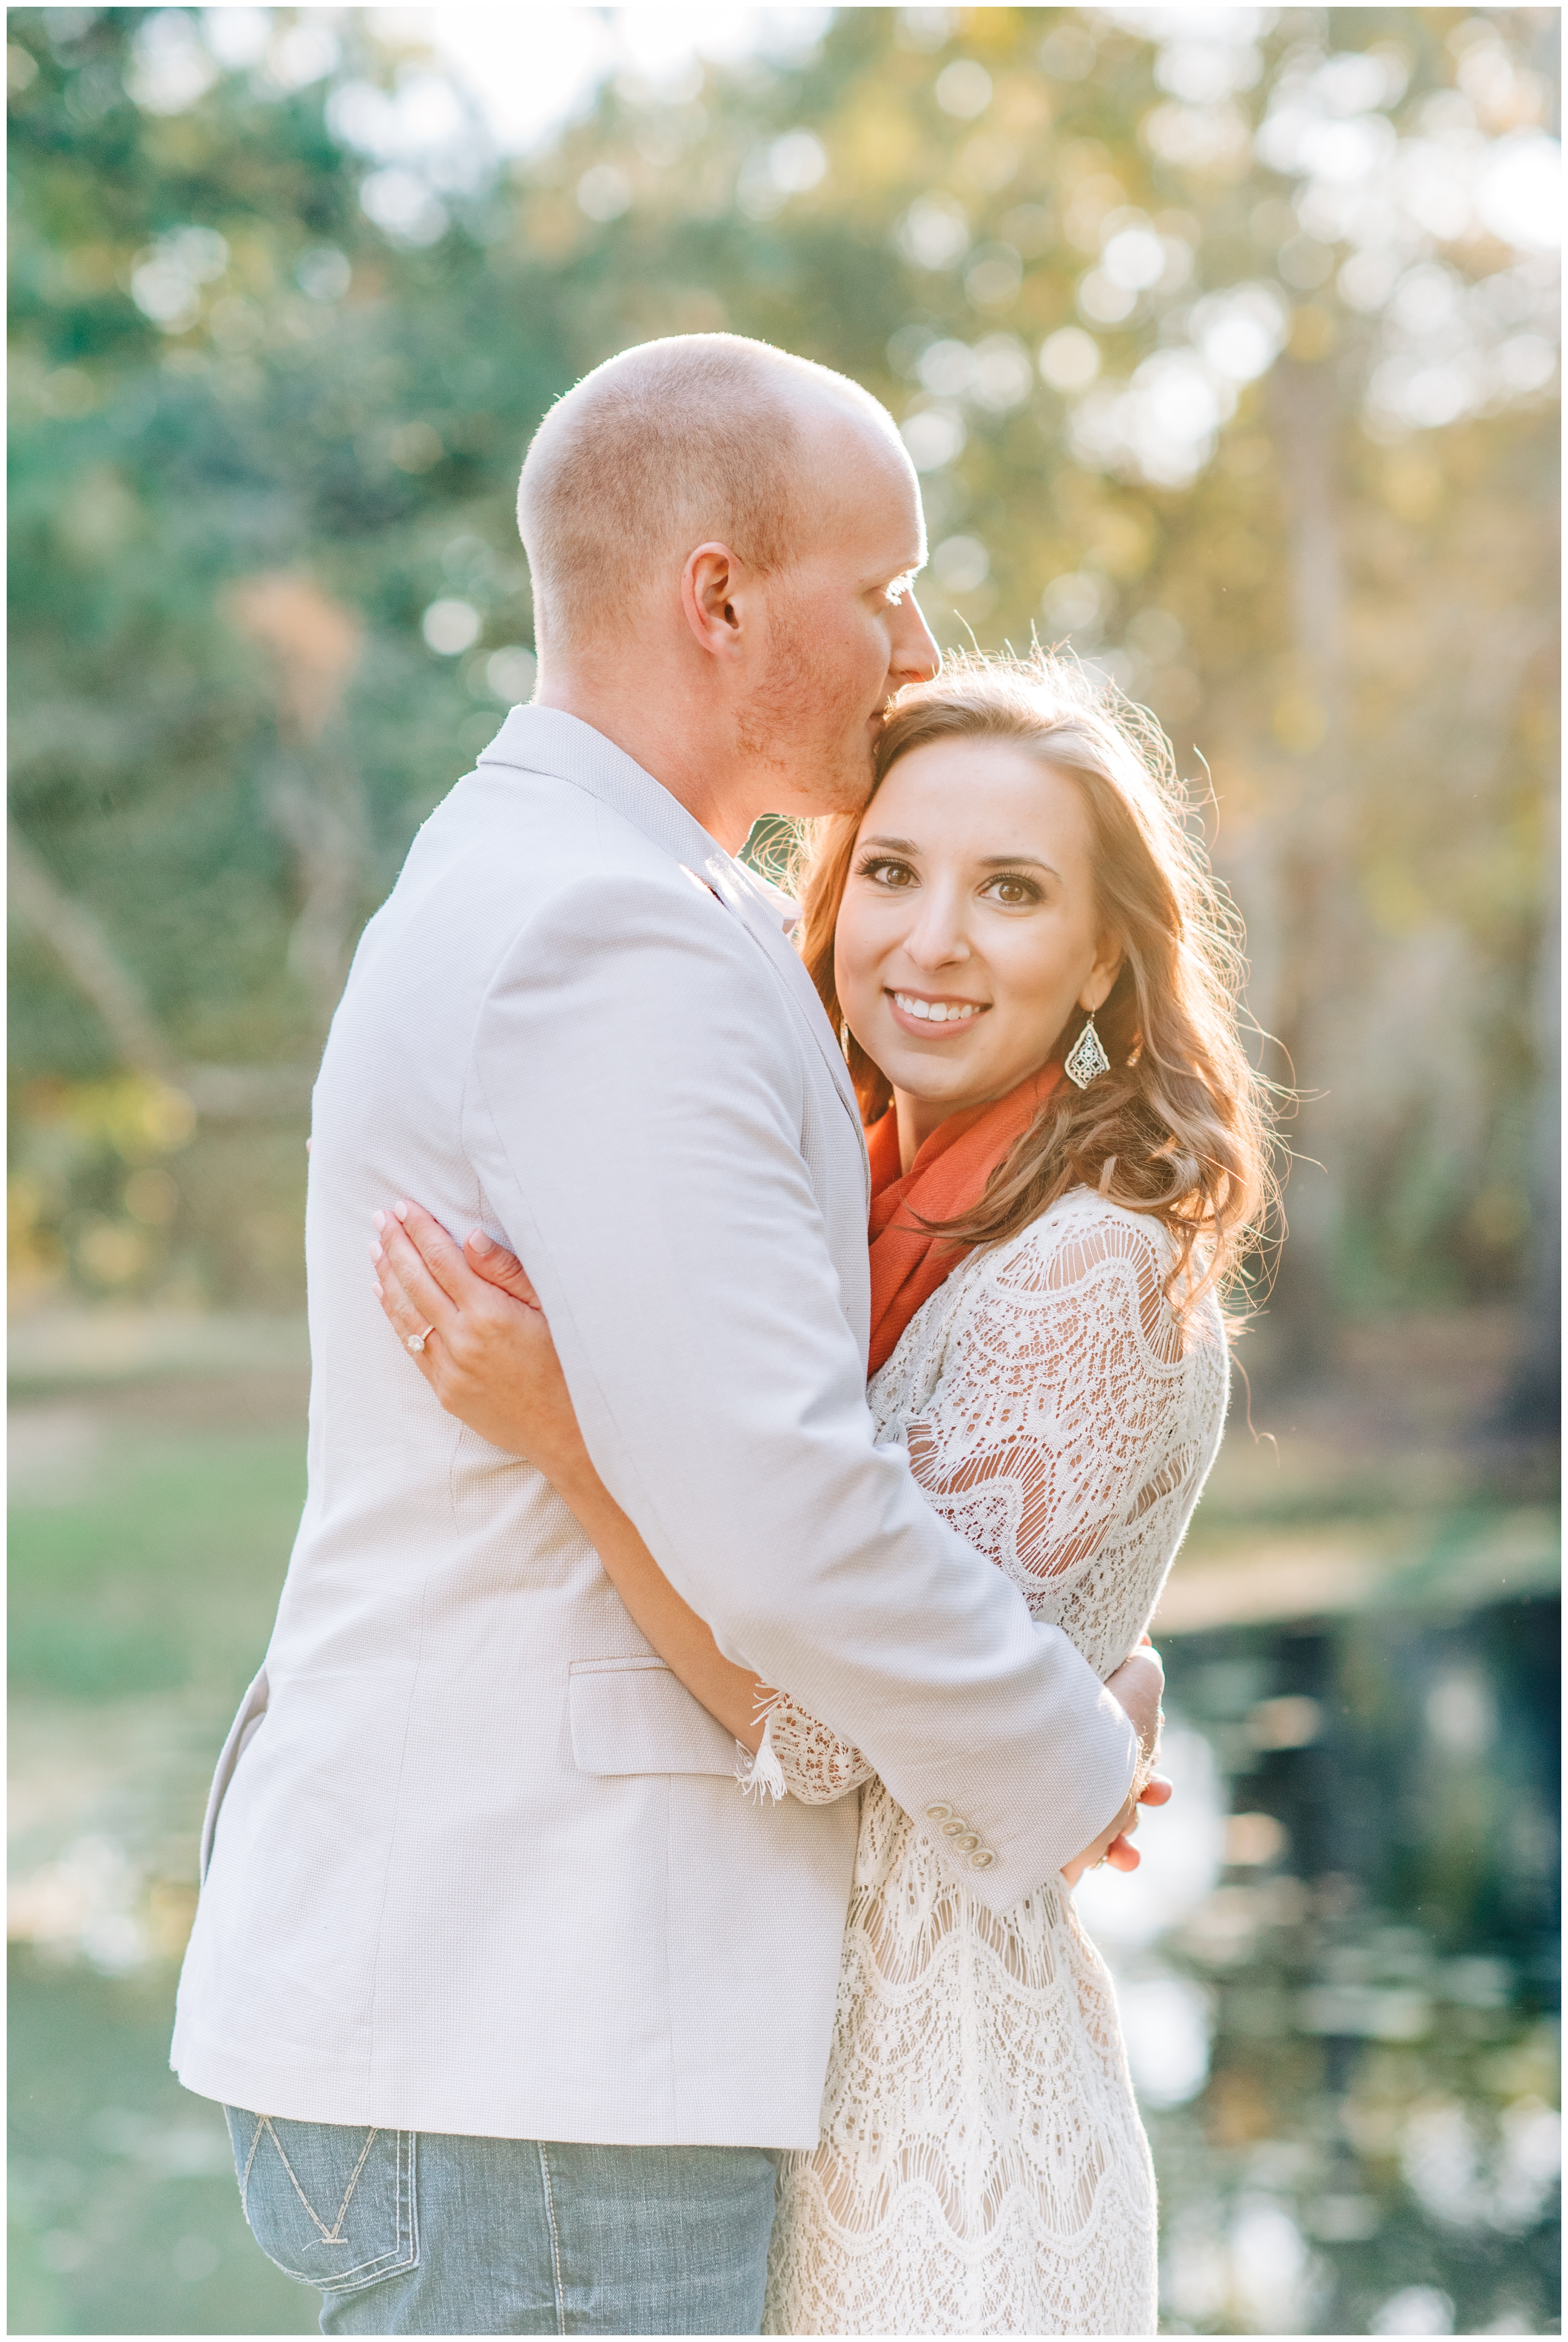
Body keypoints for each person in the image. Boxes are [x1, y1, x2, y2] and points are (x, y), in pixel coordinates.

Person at [170, 338, 1165, 2337]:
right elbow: (781, 1510)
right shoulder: (610, 931)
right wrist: (1072, 1756)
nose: (911, 638)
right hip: (545, 2011)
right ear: (716, 599)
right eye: (878, 584)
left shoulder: (570, 879)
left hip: (530, 2017)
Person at [372, 653, 1265, 2334]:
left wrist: (564, 1433)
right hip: (751, 2053)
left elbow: (830, 1720)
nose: (930, 939)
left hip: (933, 2101)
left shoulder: (1089, 1261)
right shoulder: (842, 1200)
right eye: (892, 872)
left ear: (1099, 963)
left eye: (1011, 893)